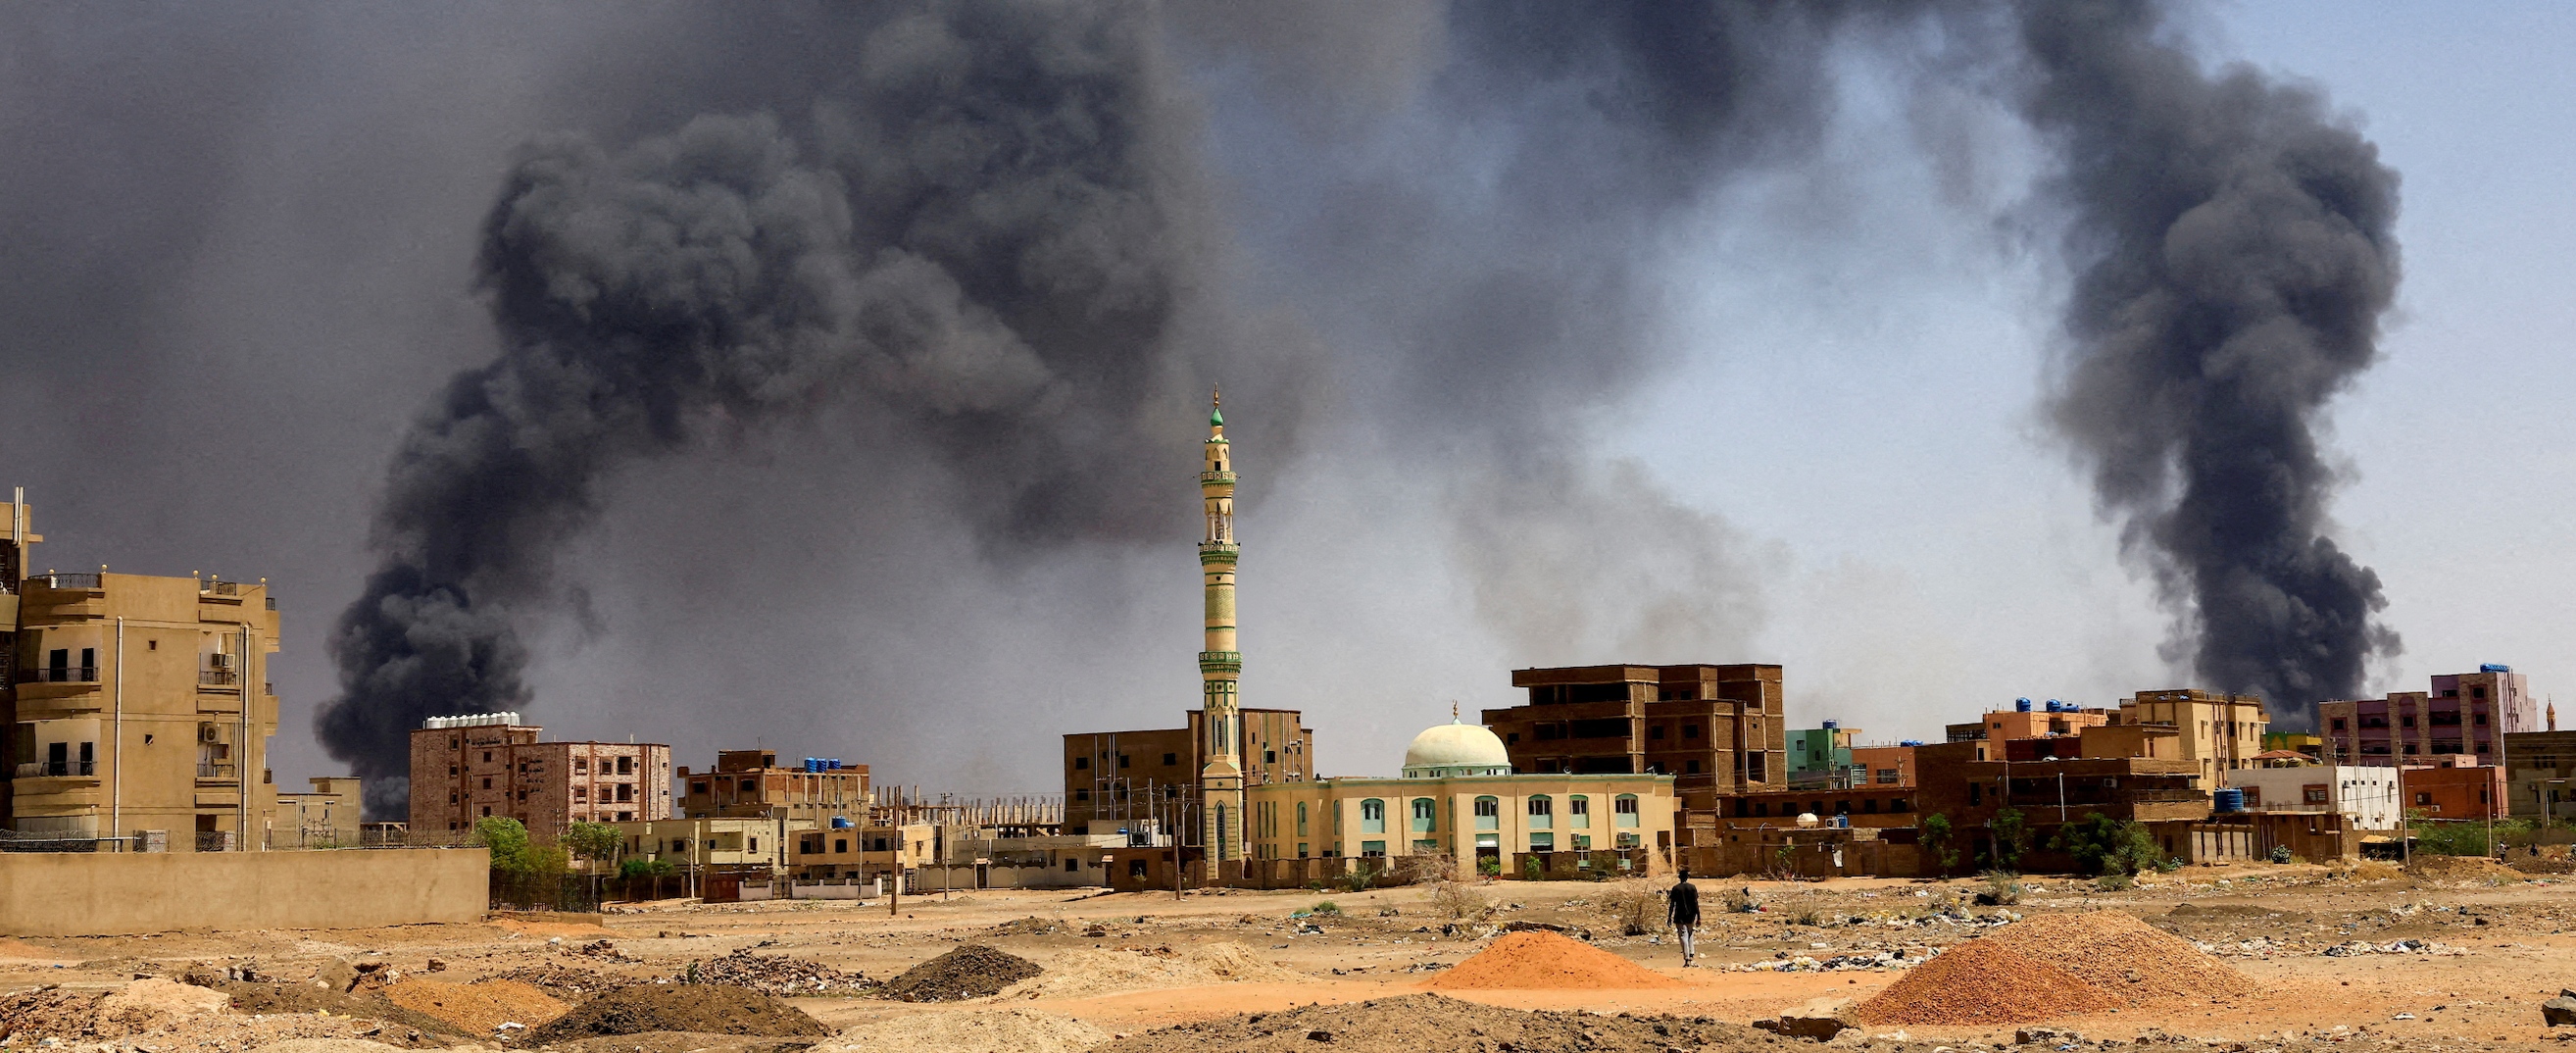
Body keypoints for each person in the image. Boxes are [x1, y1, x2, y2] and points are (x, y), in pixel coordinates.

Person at [1667, 868, 1701, 967]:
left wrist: (1669, 916)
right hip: (1691, 915)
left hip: (1679, 915)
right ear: (1687, 877)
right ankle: (1691, 953)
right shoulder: (1692, 887)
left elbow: (1672, 904)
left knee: (1683, 936)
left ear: (1679, 877)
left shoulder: (1676, 888)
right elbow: (1695, 903)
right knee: (1690, 934)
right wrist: (1699, 917)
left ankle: (1687, 958)